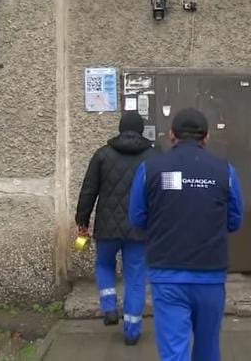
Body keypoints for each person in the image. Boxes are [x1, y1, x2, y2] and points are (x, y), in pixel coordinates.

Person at [128, 108, 243, 361]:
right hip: (210, 275)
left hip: (167, 274)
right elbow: (235, 221)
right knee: (207, 348)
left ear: (171, 135)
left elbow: (136, 218)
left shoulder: (150, 169)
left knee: (173, 352)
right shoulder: (225, 171)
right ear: (206, 137)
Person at [75, 111, 154, 345]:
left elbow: (89, 190)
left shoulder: (102, 155)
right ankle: (132, 331)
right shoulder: (153, 157)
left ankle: (109, 306)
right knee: (136, 277)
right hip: (139, 228)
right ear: (141, 130)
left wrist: (82, 220)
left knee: (104, 264)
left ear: (120, 128)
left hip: (107, 227)